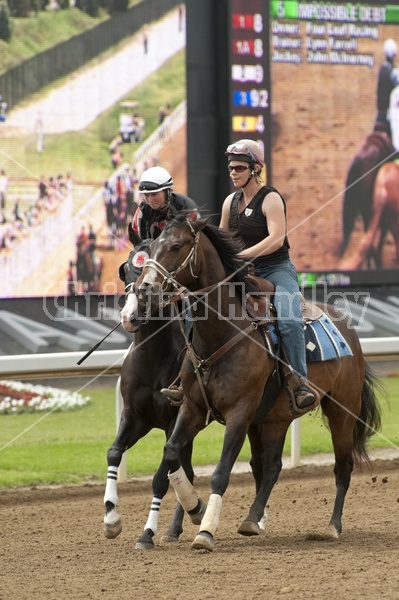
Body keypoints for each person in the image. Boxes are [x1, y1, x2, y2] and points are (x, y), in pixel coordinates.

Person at [218, 139, 317, 410]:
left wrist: (242, 256)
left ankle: (299, 385)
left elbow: (276, 239)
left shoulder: (271, 198)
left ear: (255, 168)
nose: (233, 172)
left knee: (289, 321)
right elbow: (223, 240)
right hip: (243, 272)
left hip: (276, 270)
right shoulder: (230, 202)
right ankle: (186, 380)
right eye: (230, 168)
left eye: (239, 167)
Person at [132, 166, 199, 239]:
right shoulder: (143, 210)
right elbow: (140, 244)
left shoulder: (185, 206)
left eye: (154, 194)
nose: (150, 200)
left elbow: (198, 238)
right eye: (146, 195)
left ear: (167, 191)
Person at [375, 39, 399, 134]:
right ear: (394, 56)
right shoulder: (394, 73)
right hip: (390, 117)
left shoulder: (381, 70)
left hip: (380, 115)